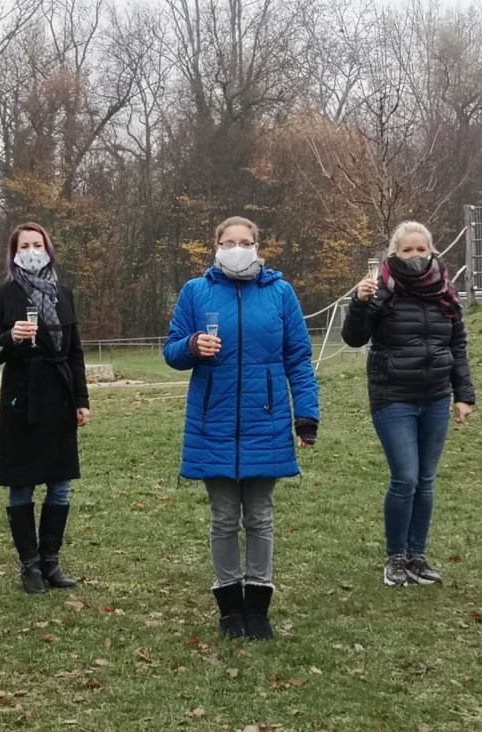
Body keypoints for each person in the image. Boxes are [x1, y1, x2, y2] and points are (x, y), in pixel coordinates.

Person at [164, 216, 319, 640]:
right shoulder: (195, 291)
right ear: (215, 246)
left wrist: (306, 415)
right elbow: (171, 351)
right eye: (229, 242)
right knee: (223, 518)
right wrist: (192, 345)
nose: (237, 248)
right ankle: (230, 606)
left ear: (257, 247)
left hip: (265, 421)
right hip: (211, 423)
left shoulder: (280, 293)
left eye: (245, 242)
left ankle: (259, 606)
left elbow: (298, 359)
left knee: (261, 517)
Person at [341, 221, 474, 588]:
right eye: (407, 250)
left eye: (421, 249)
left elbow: (457, 345)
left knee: (426, 480)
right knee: (406, 477)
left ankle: (417, 556)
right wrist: (359, 303)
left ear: (431, 251)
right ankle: (395, 557)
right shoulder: (381, 289)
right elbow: (354, 338)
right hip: (393, 396)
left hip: (435, 397)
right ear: (393, 254)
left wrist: (463, 394)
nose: (415, 256)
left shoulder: (445, 291)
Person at [0, 222, 90, 595]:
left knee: (60, 485)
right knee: (22, 485)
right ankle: (29, 564)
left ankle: (51, 561)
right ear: (13, 254)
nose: (31, 251)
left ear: (48, 250)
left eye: (37, 245)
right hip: (21, 401)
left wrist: (81, 400)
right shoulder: (1, 295)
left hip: (60, 398)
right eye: (24, 246)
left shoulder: (64, 294)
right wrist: (10, 338)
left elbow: (75, 352)